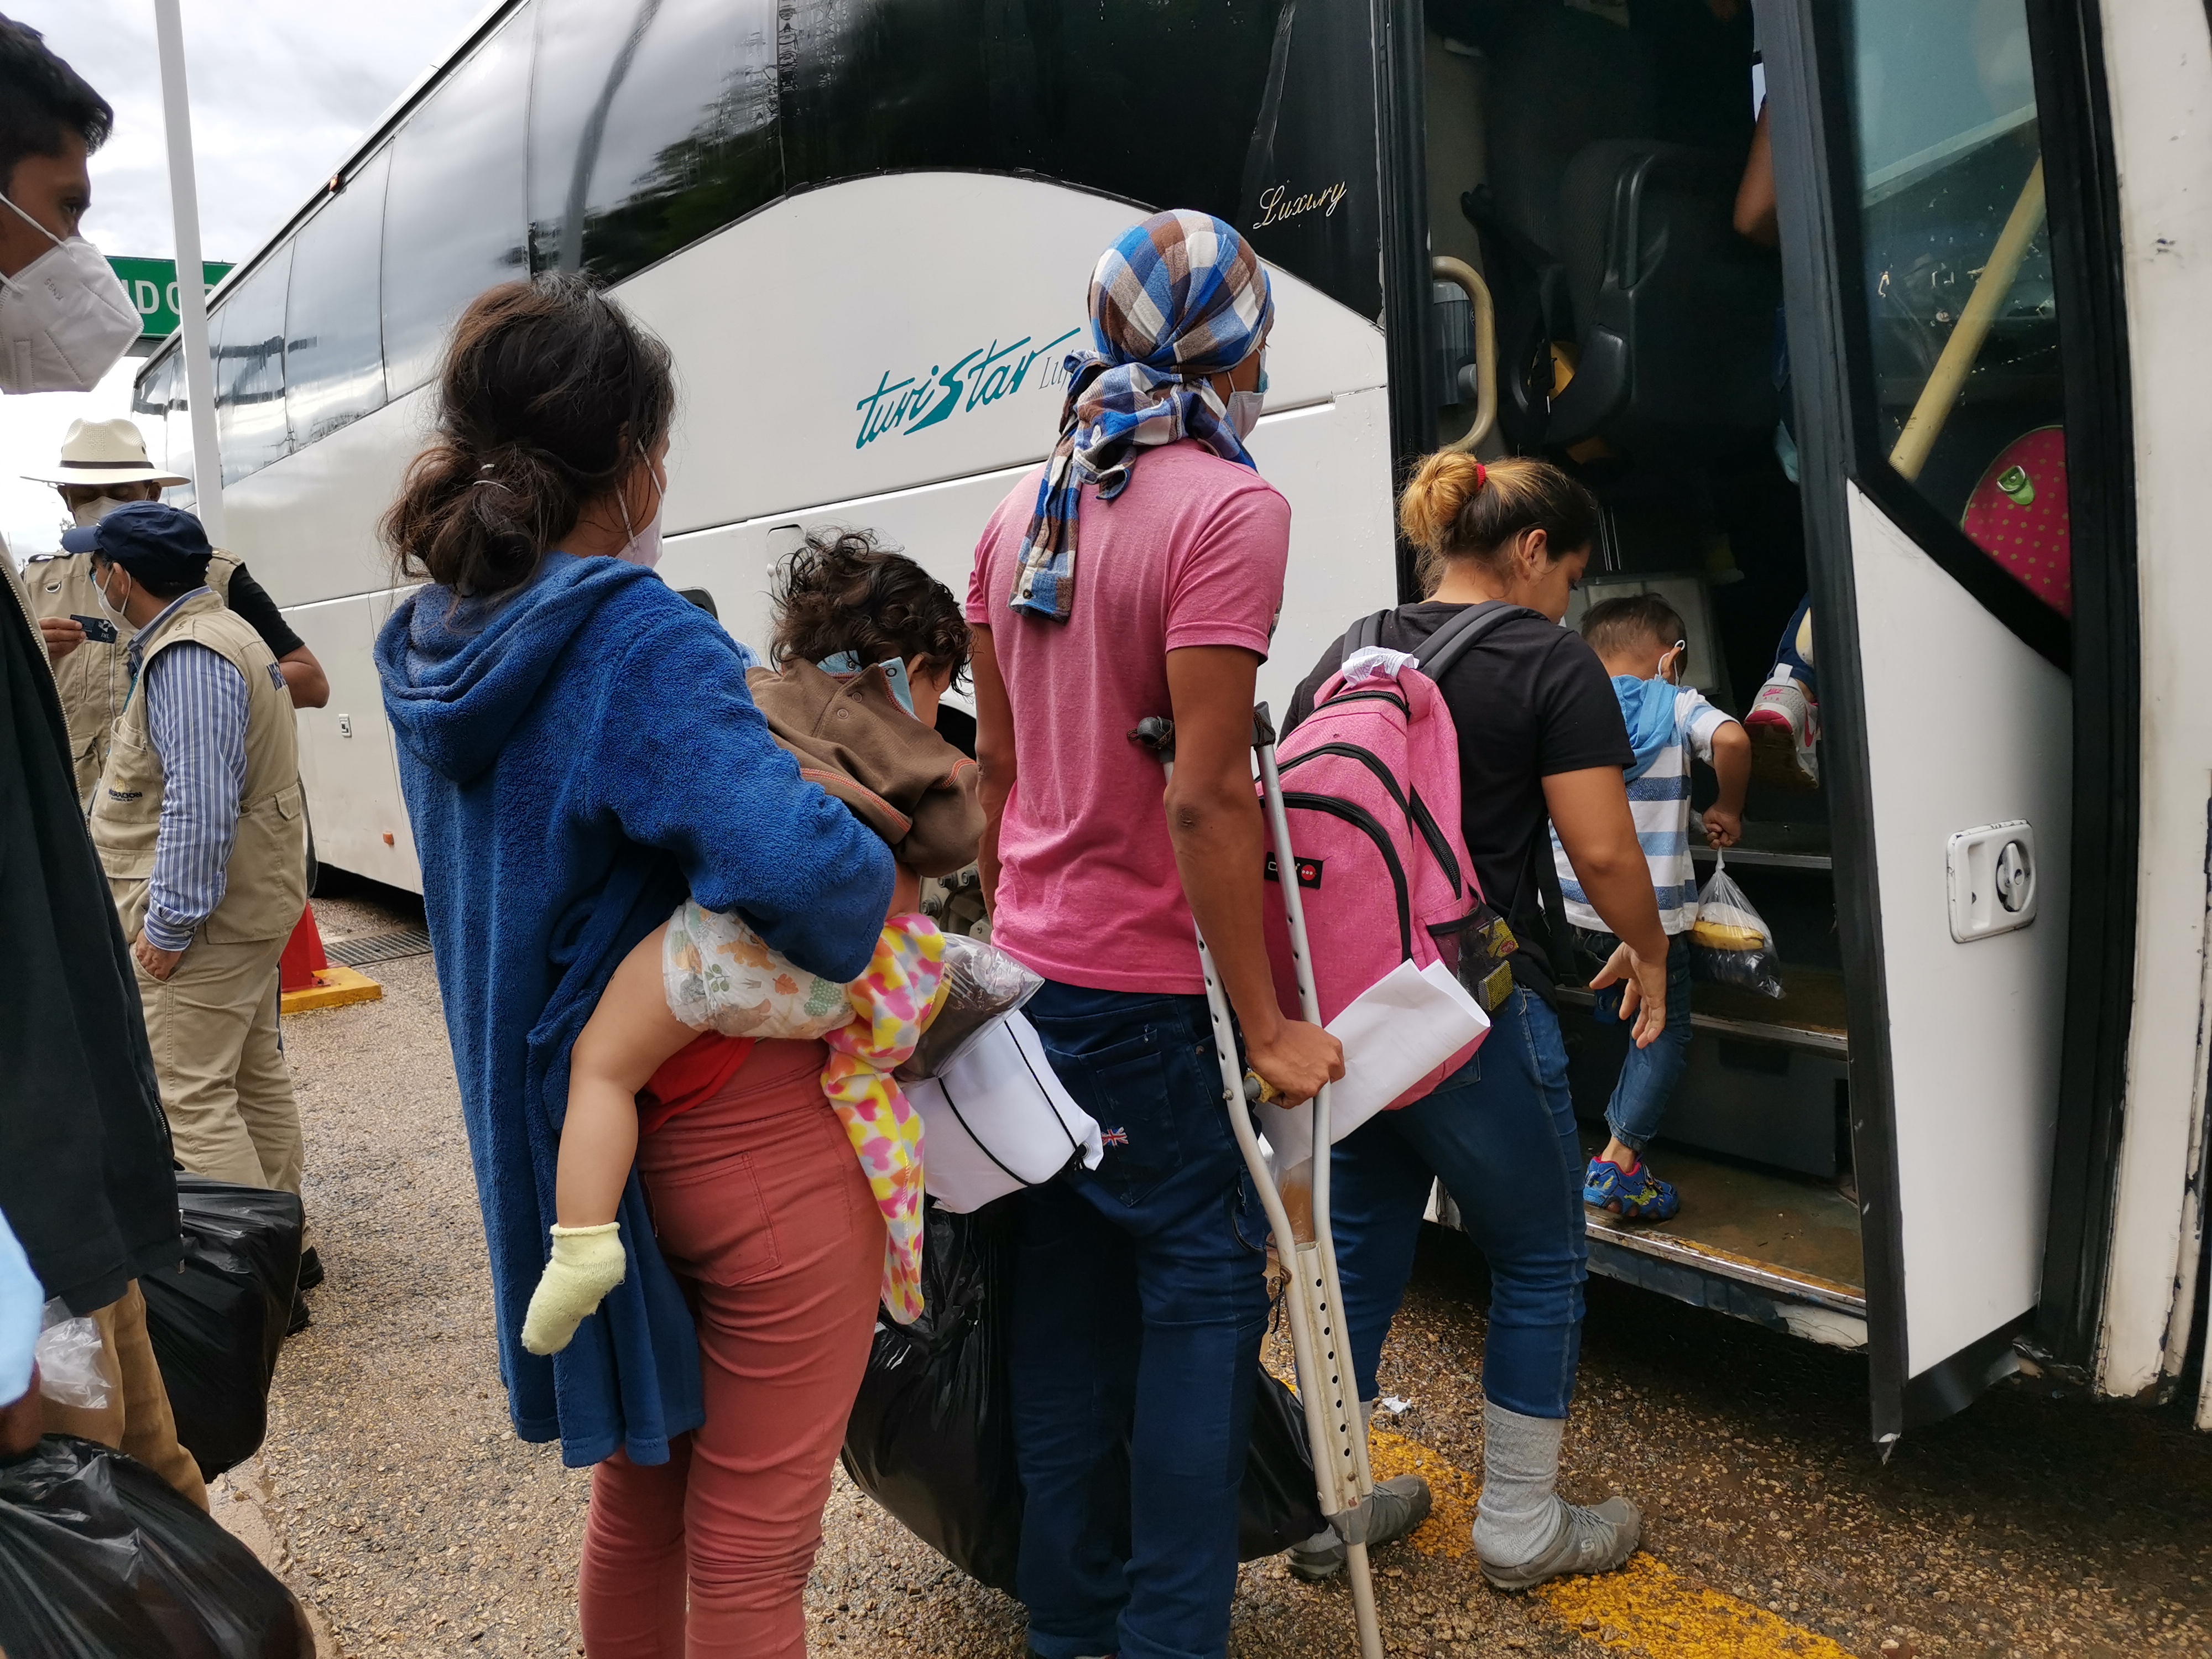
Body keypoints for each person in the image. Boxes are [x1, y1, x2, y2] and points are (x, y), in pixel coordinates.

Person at [375, 272, 893, 1658]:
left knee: (641, 1503)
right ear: (641, 457)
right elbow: (811, 883)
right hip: (741, 1130)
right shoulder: (632, 632)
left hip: (583, 1147)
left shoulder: (434, 644)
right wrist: (847, 831)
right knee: (752, 1552)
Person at [967, 208, 1355, 1659]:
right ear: (1234, 344)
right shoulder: (1230, 510)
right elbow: (1206, 795)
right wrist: (1268, 1027)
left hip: (1030, 985)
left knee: (1065, 1316)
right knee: (1198, 1307)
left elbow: (1001, 778)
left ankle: (1071, 1633)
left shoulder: (1018, 513)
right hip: (1149, 999)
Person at [1286, 452, 1666, 1592]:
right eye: (1570, 575)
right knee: (1540, 1257)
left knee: (1353, 1253)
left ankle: (1323, 1509)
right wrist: (1645, 948)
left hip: (1350, 1013)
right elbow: (1599, 848)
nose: (1567, 602)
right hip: (1467, 1010)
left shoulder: (1355, 641)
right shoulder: (1549, 658)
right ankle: (1517, 1526)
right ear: (1533, 551)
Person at [521, 531, 980, 1358]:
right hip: (847, 987)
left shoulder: (747, 687)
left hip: (726, 957)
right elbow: (954, 840)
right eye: (942, 683)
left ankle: (583, 1244)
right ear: (919, 666)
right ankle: (898, 1258)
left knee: (601, 1065)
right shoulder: (915, 741)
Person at [0, 11, 202, 1509]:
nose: (73, 264)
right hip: (31, 1231)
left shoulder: (190, 644)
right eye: (60, 213)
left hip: (54, 1183)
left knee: (150, 1518)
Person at [72, 502, 311, 1212]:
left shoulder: (188, 654)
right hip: (247, 903)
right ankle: (286, 1252)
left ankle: (246, 1287)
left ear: (119, 577)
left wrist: (167, 928)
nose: (92, 579)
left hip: (204, 924)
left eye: (95, 566)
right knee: (248, 1079)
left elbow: (199, 806)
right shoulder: (225, 631)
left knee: (189, 1096)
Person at [1551, 593, 1750, 1223]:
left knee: (1624, 1006)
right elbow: (1735, 741)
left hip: (1572, 907)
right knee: (1664, 1029)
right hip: (1650, 916)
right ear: (1672, 658)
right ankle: (1620, 1162)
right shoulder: (1677, 703)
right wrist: (1727, 809)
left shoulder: (1568, 706)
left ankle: (1596, 1123)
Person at [27, 418, 331, 808]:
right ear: (66, 497)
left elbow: (312, 683)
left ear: (152, 492)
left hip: (201, 811)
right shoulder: (35, 587)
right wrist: (30, 659)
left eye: (119, 492)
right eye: (87, 494)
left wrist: (196, 691)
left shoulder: (215, 574)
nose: (102, 504)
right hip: (91, 828)